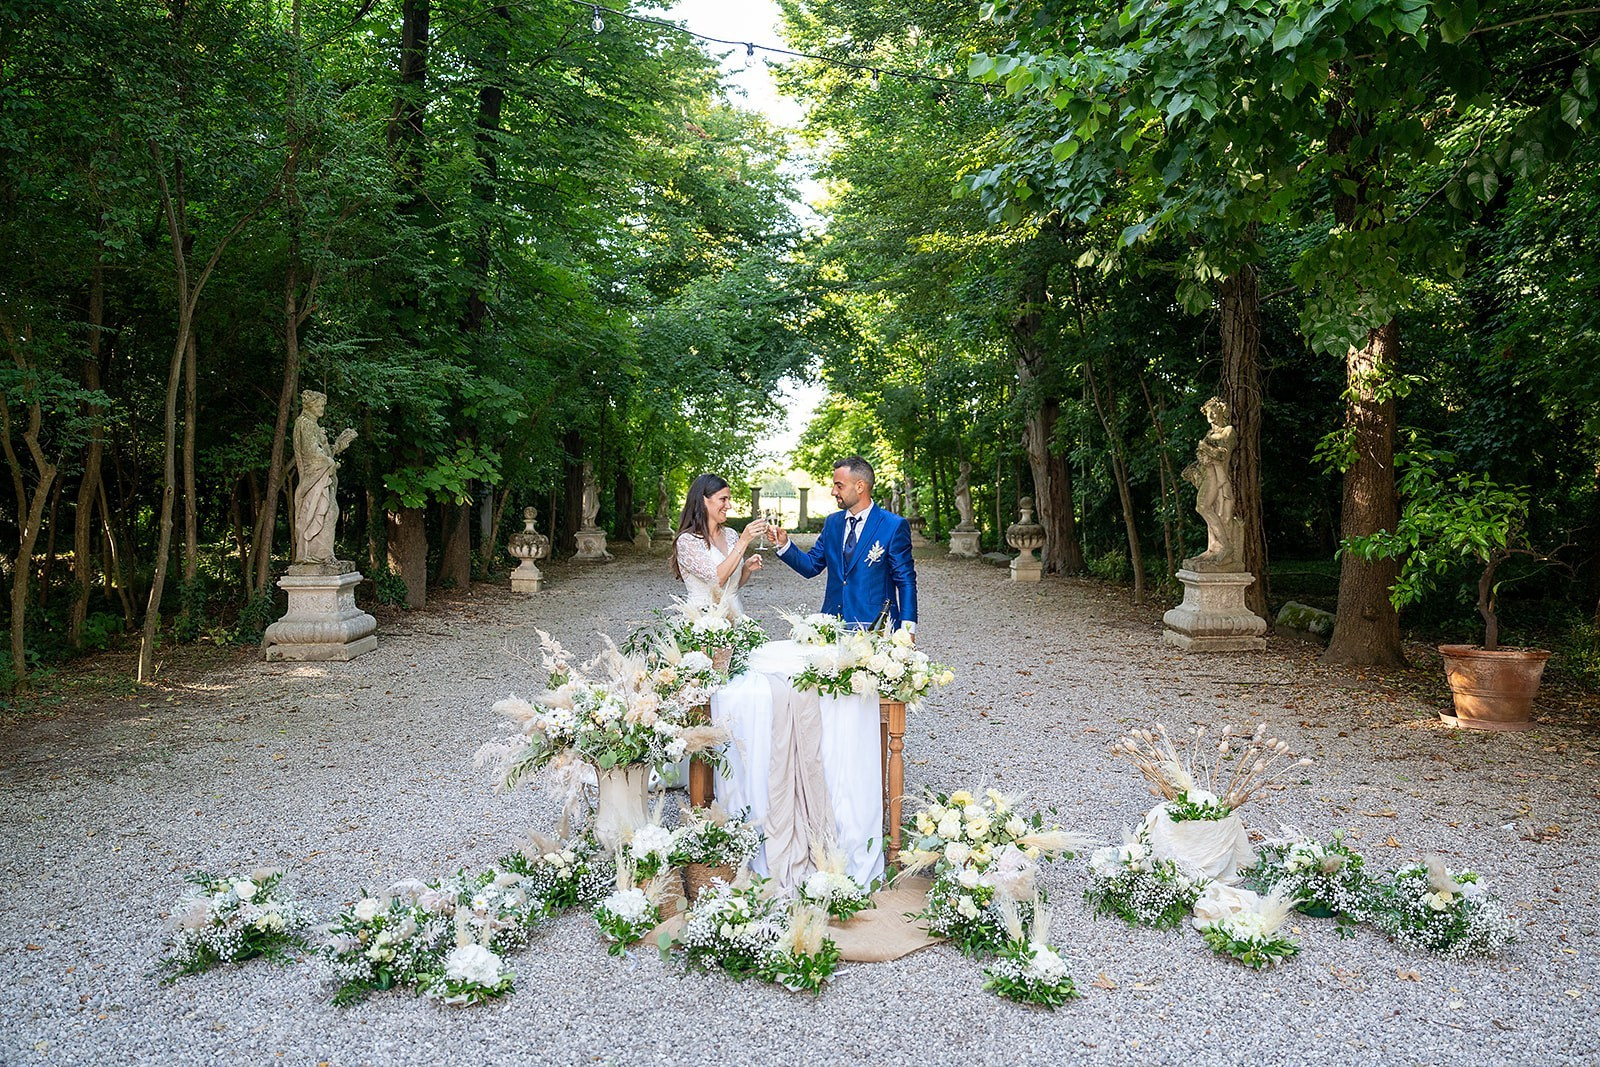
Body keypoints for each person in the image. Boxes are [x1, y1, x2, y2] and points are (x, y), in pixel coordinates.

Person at [772, 456, 917, 632]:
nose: (833, 492)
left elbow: (906, 581)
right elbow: (811, 566)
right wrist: (784, 545)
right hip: (833, 627)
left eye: (839, 486)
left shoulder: (893, 526)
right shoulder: (833, 523)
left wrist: (908, 630)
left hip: (876, 629)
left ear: (860, 486)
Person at [670, 474, 767, 614]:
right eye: (723, 499)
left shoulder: (731, 534)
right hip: (704, 622)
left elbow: (731, 586)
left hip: (736, 616)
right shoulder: (687, 541)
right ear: (703, 500)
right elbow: (717, 580)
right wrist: (744, 540)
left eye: (729, 499)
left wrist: (746, 569)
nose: (729, 506)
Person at [292, 390, 357, 565]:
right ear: (310, 406)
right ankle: (317, 555)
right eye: (319, 406)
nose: (322, 409)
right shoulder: (305, 424)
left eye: (322, 406)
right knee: (325, 512)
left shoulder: (312, 425)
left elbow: (321, 453)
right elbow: (312, 453)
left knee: (329, 511)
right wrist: (331, 463)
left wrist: (337, 447)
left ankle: (323, 554)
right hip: (314, 478)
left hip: (319, 476)